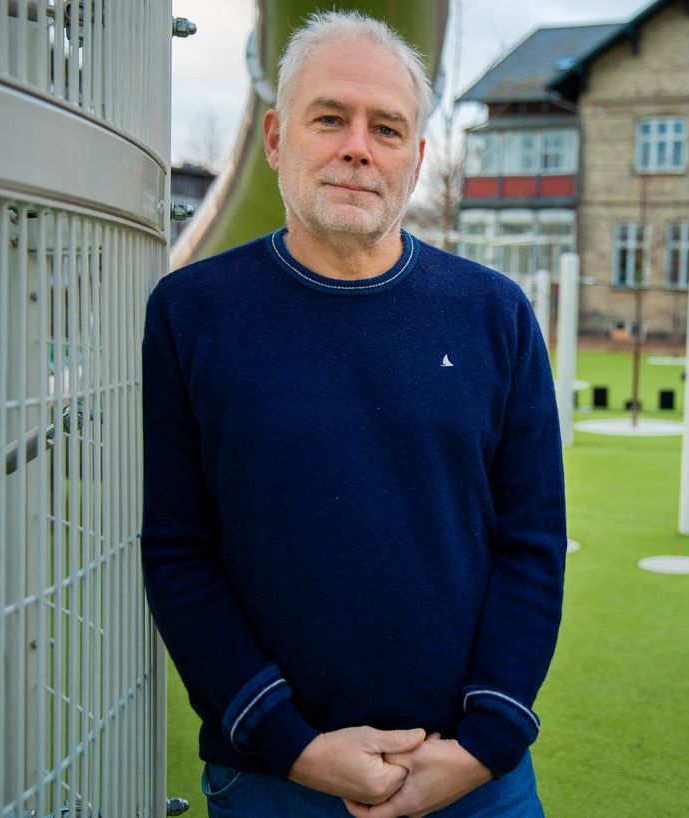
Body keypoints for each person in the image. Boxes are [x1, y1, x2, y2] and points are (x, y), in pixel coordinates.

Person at [141, 11, 566, 818]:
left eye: (387, 127)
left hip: (474, 780)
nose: (357, 147)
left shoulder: (495, 315)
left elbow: (532, 545)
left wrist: (484, 744)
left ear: (417, 157)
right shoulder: (192, 313)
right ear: (275, 137)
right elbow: (178, 550)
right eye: (329, 117)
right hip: (271, 778)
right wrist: (292, 745)